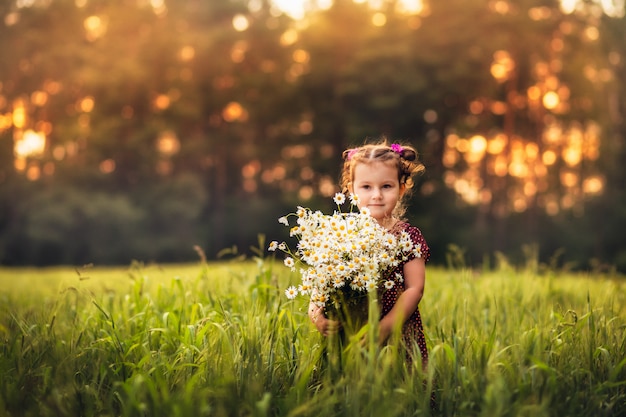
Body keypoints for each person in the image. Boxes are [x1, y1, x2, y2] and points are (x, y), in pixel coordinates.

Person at [307, 139, 430, 368]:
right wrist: (315, 312)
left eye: (386, 186)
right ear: (350, 190)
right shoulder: (341, 234)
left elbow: (415, 288)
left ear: (401, 189)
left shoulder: (406, 236)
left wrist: (385, 327)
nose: (376, 195)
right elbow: (322, 280)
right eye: (366, 187)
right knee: (347, 384)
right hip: (348, 327)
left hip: (395, 329)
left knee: (395, 385)